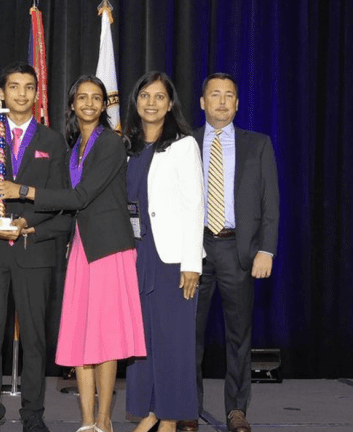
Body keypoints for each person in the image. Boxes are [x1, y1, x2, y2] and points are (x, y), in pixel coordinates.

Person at [0, 75, 146, 432]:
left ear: (104, 105)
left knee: (106, 338)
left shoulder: (111, 143)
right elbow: (69, 209)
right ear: (72, 105)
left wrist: (25, 190)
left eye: (96, 98)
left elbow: (80, 198)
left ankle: (105, 421)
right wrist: (34, 226)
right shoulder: (75, 144)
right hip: (81, 247)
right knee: (82, 333)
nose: (90, 104)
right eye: (82, 98)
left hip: (108, 248)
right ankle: (86, 421)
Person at [0, 62, 68, 432]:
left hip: (34, 248)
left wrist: (31, 222)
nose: (21, 94)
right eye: (14, 87)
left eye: (29, 87)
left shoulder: (52, 140)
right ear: (2, 93)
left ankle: (33, 415)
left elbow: (60, 197)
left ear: (37, 94)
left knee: (35, 339)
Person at [178, 73, 279, 432]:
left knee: (239, 336)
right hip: (195, 250)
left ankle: (237, 410)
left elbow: (270, 204)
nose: (222, 101)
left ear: (237, 104)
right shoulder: (184, 143)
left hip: (240, 250)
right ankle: (188, 407)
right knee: (190, 335)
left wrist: (266, 250)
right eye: (214, 95)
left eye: (229, 96)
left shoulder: (258, 144)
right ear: (202, 102)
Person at [122, 72, 204, 432]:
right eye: (145, 95)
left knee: (174, 342)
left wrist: (191, 264)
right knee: (142, 341)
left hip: (171, 259)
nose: (151, 102)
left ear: (170, 104)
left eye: (159, 96)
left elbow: (194, 206)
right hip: (135, 255)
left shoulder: (183, 145)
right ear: (136, 102)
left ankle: (168, 419)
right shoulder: (128, 147)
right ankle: (148, 411)